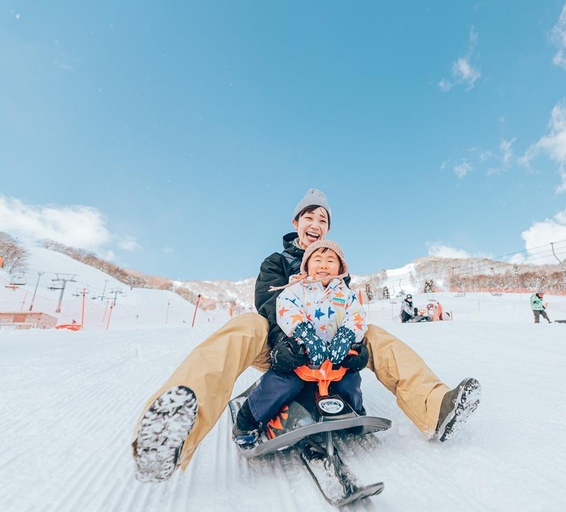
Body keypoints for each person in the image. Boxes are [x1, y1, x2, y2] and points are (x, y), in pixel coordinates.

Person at [133, 188, 481, 483]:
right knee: (246, 325)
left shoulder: (336, 268)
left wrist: (355, 346)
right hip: (280, 349)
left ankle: (434, 408)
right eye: (309, 218)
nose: (315, 225)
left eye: (323, 221)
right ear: (296, 223)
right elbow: (269, 303)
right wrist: (288, 341)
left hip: (331, 351)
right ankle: (170, 435)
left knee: (374, 333)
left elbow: (349, 313)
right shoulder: (276, 262)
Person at [232, 240, 369, 448]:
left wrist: (348, 335)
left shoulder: (345, 293)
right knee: (282, 384)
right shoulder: (297, 289)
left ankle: (355, 412)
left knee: (349, 382)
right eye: (317, 260)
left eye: (331, 260)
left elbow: (356, 316)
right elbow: (286, 310)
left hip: (334, 359)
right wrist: (304, 334)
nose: (324, 265)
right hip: (300, 356)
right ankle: (247, 420)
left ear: (340, 268)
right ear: (306, 266)